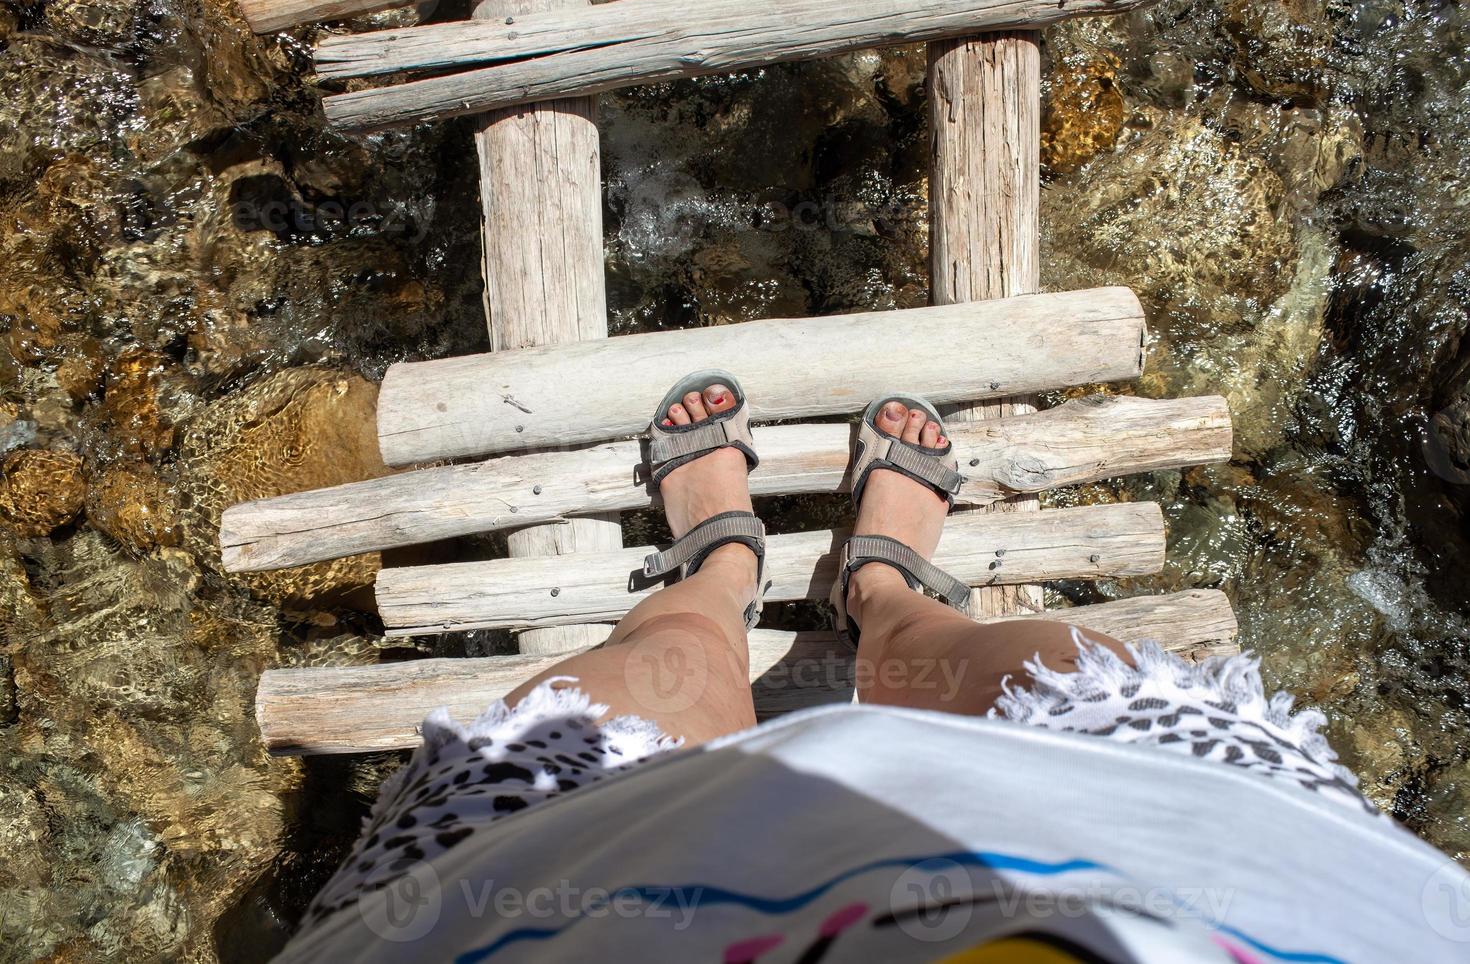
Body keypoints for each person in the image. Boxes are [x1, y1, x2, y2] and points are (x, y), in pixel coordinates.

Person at [278, 374, 1470, 962]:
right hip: (1214, 890)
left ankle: (716, 580)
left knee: (625, 705)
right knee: (1058, 672)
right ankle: (885, 596)